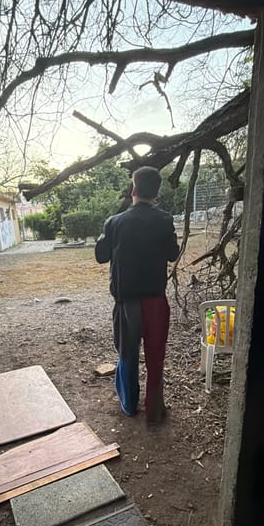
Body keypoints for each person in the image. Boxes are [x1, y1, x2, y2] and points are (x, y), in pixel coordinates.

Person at [95, 166, 180, 424]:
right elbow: (172, 254)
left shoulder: (115, 222)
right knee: (156, 355)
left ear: (133, 189)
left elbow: (101, 255)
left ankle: (129, 405)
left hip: (126, 302)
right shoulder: (165, 220)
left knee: (127, 354)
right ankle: (154, 410)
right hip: (156, 299)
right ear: (156, 192)